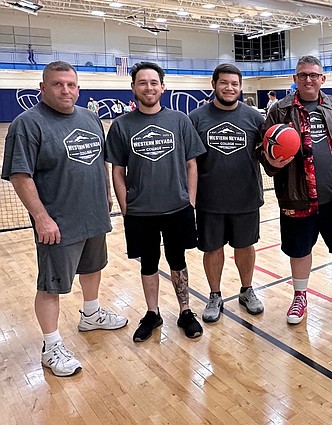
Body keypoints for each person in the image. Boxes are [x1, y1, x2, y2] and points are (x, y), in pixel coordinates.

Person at [1, 61, 127, 377]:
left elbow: (99, 161)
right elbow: (20, 175)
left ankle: (91, 314)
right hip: (58, 223)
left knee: (93, 268)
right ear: (43, 88)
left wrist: (106, 193)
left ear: (79, 88)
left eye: (71, 84)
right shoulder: (27, 124)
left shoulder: (91, 118)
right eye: (58, 84)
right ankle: (51, 345)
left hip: (93, 214)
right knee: (51, 285)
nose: (65, 90)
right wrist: (41, 218)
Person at [105, 61, 206, 342]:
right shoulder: (121, 126)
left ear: (162, 87)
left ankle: (185, 311)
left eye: (153, 82)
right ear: (133, 87)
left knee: (178, 260)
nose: (148, 87)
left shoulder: (179, 121)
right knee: (148, 263)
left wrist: (191, 201)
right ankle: (153, 313)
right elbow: (117, 170)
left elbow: (192, 164)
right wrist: (126, 208)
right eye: (142, 82)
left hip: (178, 207)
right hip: (140, 212)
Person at [261, 55, 332, 324]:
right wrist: (271, 162)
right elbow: (264, 152)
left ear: (322, 79)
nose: (308, 79)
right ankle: (299, 296)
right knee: (299, 251)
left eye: (313, 75)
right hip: (297, 198)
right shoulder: (279, 110)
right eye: (303, 75)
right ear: (295, 79)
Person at [189, 64, 265, 323]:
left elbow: (270, 155)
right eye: (224, 83)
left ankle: (246, 290)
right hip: (210, 200)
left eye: (234, 84)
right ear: (214, 84)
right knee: (212, 249)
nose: (229, 88)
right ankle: (214, 294)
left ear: (241, 87)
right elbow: (188, 163)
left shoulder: (255, 118)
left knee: (245, 246)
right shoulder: (196, 118)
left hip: (246, 197)